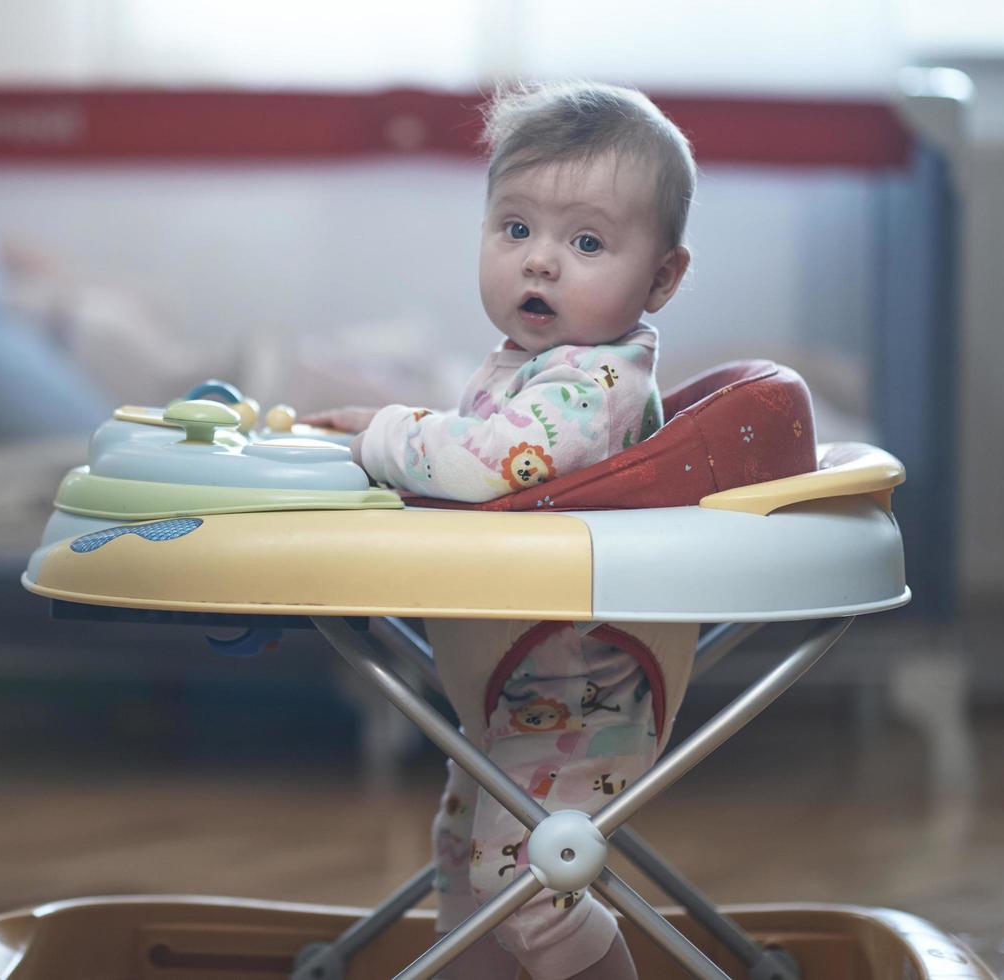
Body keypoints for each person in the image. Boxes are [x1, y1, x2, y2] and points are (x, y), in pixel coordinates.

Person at [301, 81, 698, 980]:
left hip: (586, 679)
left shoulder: (597, 385)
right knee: (470, 864)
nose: (540, 262)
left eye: (587, 242)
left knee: (530, 884)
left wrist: (388, 436)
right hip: (519, 674)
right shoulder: (536, 367)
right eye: (515, 229)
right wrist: (391, 427)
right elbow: (475, 450)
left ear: (662, 278)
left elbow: (489, 463)